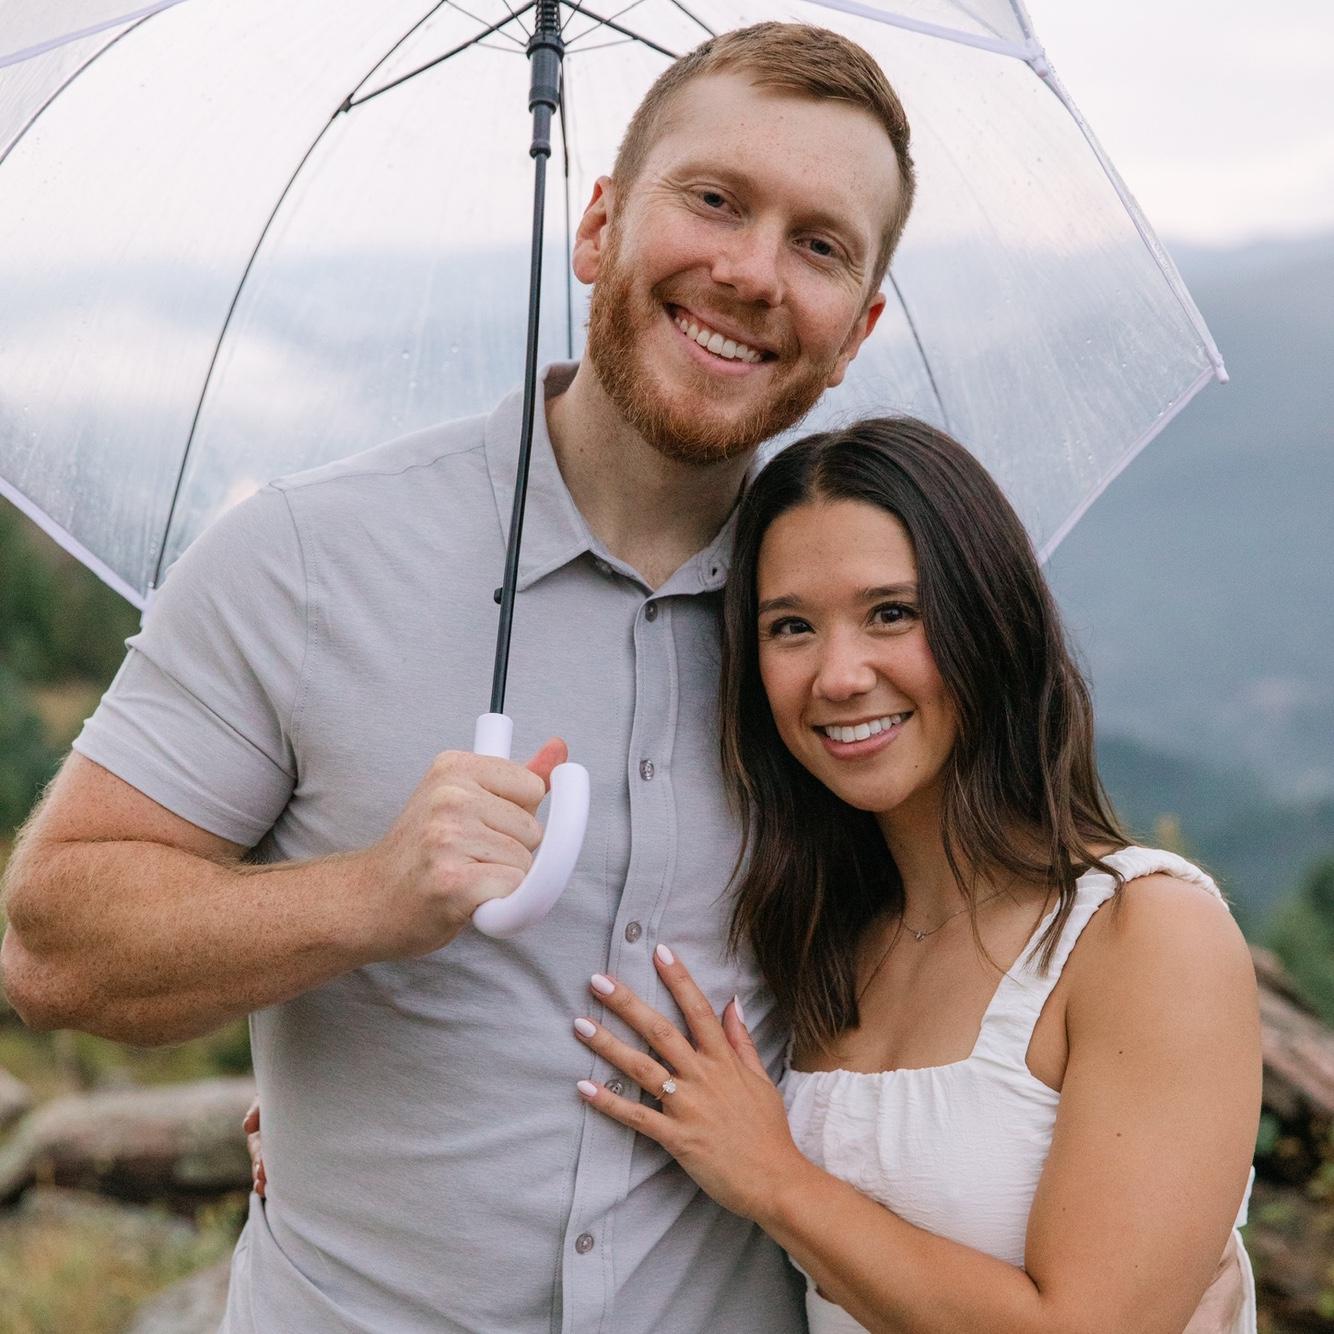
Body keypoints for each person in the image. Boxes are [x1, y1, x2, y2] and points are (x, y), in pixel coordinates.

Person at [0, 23, 915, 1334]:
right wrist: (360, 901)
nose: (750, 270)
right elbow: (52, 944)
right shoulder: (305, 558)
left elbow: (983, 936)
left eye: (818, 244)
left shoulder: (867, 646)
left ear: (856, 328)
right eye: (712, 199)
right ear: (598, 225)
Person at [569, 417, 1262, 1333]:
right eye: (791, 628)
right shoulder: (829, 939)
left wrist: (774, 1179)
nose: (840, 675)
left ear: (988, 617)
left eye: (892, 612)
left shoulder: (1144, 931)